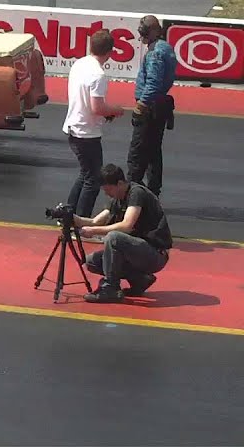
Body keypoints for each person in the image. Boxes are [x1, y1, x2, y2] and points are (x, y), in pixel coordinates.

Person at [72, 164, 173, 303]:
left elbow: (126, 225)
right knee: (92, 262)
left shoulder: (136, 193)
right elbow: (95, 221)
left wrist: (93, 231)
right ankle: (139, 279)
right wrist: (73, 219)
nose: (107, 194)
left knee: (114, 238)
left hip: (155, 253)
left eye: (109, 190)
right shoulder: (117, 199)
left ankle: (110, 288)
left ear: (120, 183)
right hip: (139, 251)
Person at [62, 30, 126, 219]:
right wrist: (115, 110)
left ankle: (68, 216)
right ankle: (81, 223)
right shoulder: (98, 74)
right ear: (110, 52)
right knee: (93, 179)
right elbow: (97, 107)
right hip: (86, 133)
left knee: (85, 175)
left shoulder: (80, 64)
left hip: (75, 126)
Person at [127, 16, 177, 195]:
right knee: (154, 152)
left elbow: (153, 83)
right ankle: (153, 191)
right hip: (159, 105)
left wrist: (141, 105)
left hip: (150, 107)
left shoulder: (156, 52)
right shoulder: (166, 48)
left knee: (137, 153)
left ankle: (132, 193)